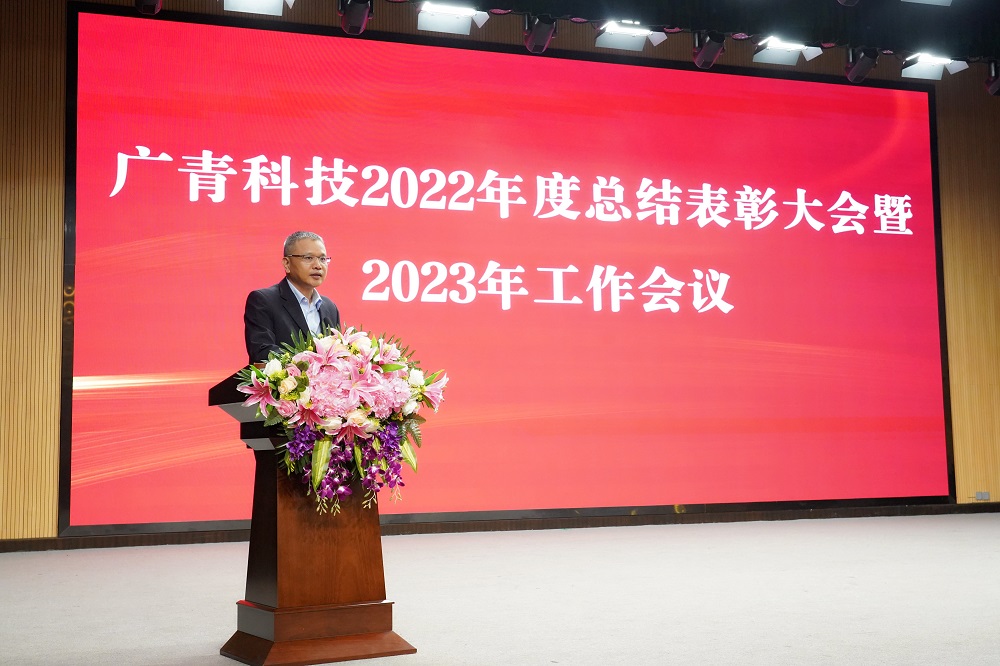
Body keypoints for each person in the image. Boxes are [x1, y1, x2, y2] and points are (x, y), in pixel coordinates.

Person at [244, 231, 341, 363]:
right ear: (287, 264)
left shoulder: (329, 307)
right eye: (308, 258)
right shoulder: (263, 301)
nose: (318, 265)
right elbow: (262, 352)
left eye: (322, 259)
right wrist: (309, 364)